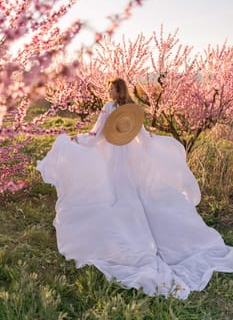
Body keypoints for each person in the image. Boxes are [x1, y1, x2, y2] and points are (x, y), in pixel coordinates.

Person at [37, 78, 233, 299]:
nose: (108, 91)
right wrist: (161, 144)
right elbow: (146, 139)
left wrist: (77, 141)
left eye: (110, 88)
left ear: (115, 90)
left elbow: (96, 135)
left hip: (113, 159)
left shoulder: (109, 108)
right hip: (132, 160)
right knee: (137, 194)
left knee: (117, 195)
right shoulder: (133, 109)